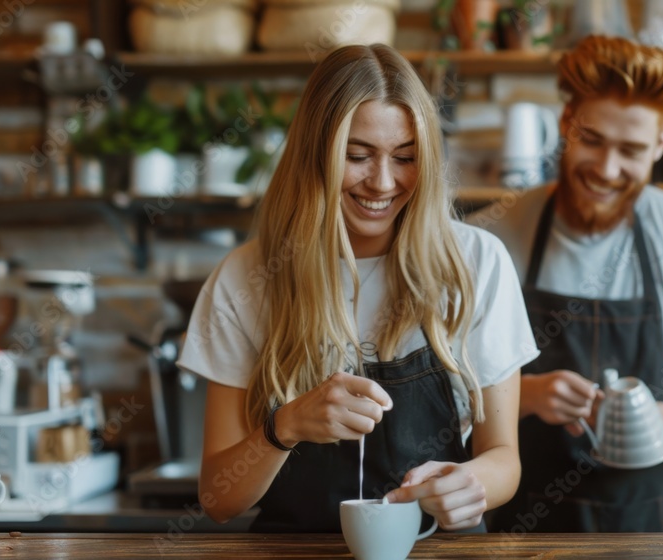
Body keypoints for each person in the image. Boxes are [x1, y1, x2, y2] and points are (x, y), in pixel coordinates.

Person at [178, 44, 539, 533]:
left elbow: (503, 459)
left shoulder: (476, 263)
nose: (383, 182)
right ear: (315, 155)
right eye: (357, 156)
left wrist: (469, 483)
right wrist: (283, 429)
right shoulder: (246, 278)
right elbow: (219, 499)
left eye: (406, 157)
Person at [467, 36, 663, 533]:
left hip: (648, 521)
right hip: (521, 525)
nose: (606, 169)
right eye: (593, 140)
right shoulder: (489, 239)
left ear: (661, 144)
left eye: (631, 150)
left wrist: (643, 418)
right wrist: (526, 394)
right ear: (565, 125)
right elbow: (438, 396)